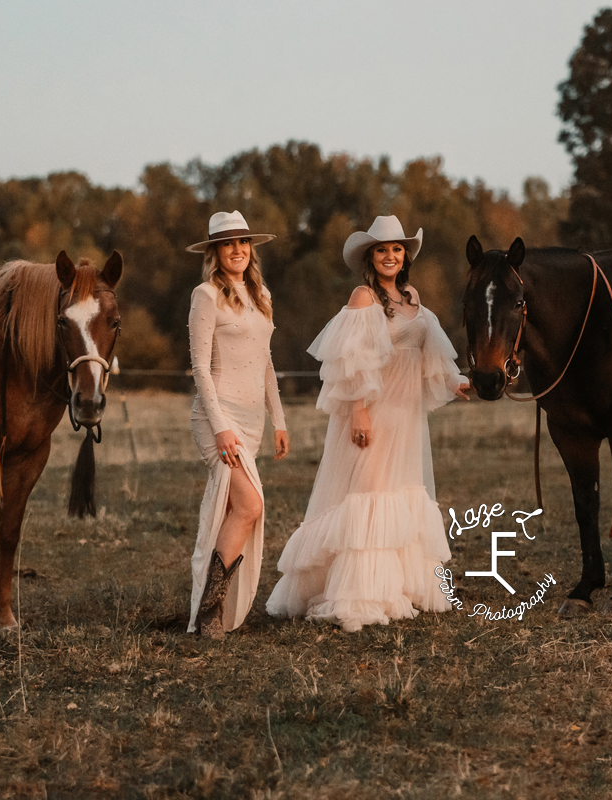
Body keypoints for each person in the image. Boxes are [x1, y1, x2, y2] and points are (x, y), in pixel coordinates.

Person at [266, 215, 469, 632]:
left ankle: (401, 587)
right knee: (370, 493)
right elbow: (353, 360)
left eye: (397, 249)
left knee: (400, 491)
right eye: (382, 250)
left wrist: (457, 381)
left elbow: (430, 352)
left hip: (406, 416)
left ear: (405, 256)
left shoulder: (412, 297)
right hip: (374, 412)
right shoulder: (364, 298)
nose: (390, 256)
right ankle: (360, 593)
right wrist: (359, 410)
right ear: (370, 257)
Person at [186, 210, 290, 639]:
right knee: (249, 506)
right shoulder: (205, 295)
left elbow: (265, 363)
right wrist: (220, 427)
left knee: (234, 512)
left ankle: (217, 610)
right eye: (228, 243)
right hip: (218, 419)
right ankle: (209, 612)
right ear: (215, 251)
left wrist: (279, 420)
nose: (238, 250)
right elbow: (199, 368)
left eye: (243, 243)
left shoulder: (261, 294)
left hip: (251, 423)